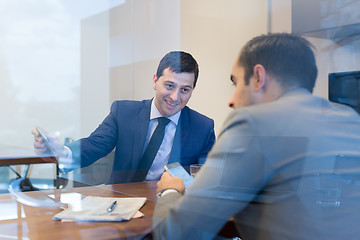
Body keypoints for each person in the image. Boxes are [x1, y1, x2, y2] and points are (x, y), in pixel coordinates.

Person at [153, 33, 360, 239]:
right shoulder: (351, 120)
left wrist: (168, 192)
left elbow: (176, 235)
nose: (232, 101)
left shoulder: (252, 123)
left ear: (258, 77)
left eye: (237, 83)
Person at [32, 51, 215, 184]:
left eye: (185, 90)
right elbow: (95, 145)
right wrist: (60, 152)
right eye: (169, 86)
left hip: (168, 208)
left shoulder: (203, 127)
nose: (175, 97)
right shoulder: (124, 112)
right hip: (120, 203)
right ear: (154, 81)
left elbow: (206, 180)